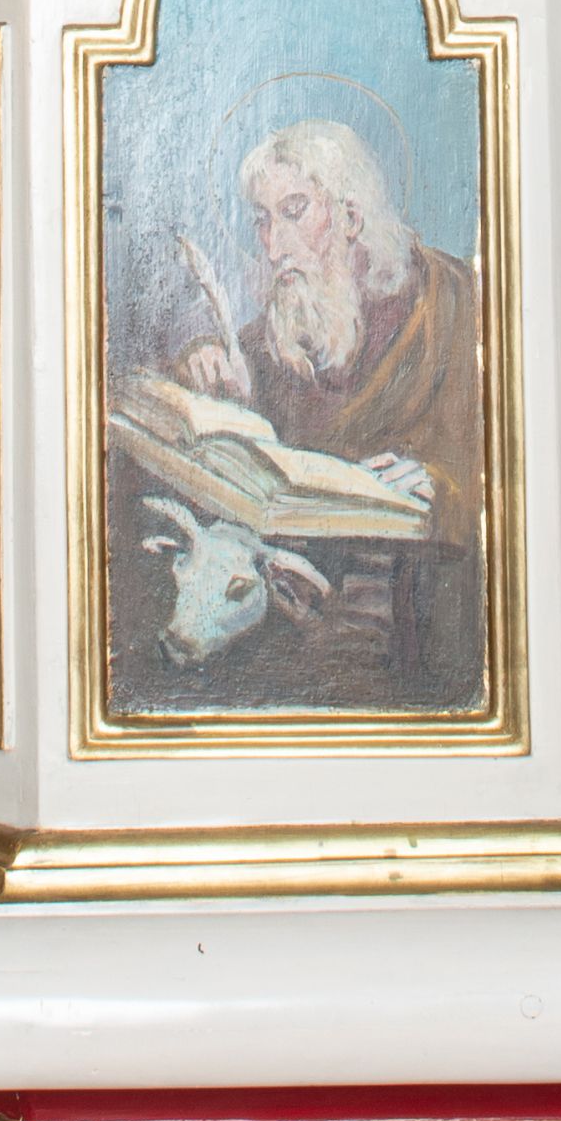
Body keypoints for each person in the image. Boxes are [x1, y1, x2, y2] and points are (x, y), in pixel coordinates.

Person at [168, 118, 485, 703]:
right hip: (308, 622)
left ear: (351, 217)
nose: (273, 245)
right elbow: (241, 371)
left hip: (417, 627)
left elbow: (510, 467)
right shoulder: (292, 316)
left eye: (294, 212)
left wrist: (441, 487)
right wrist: (205, 360)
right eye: (262, 221)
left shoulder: (452, 305)